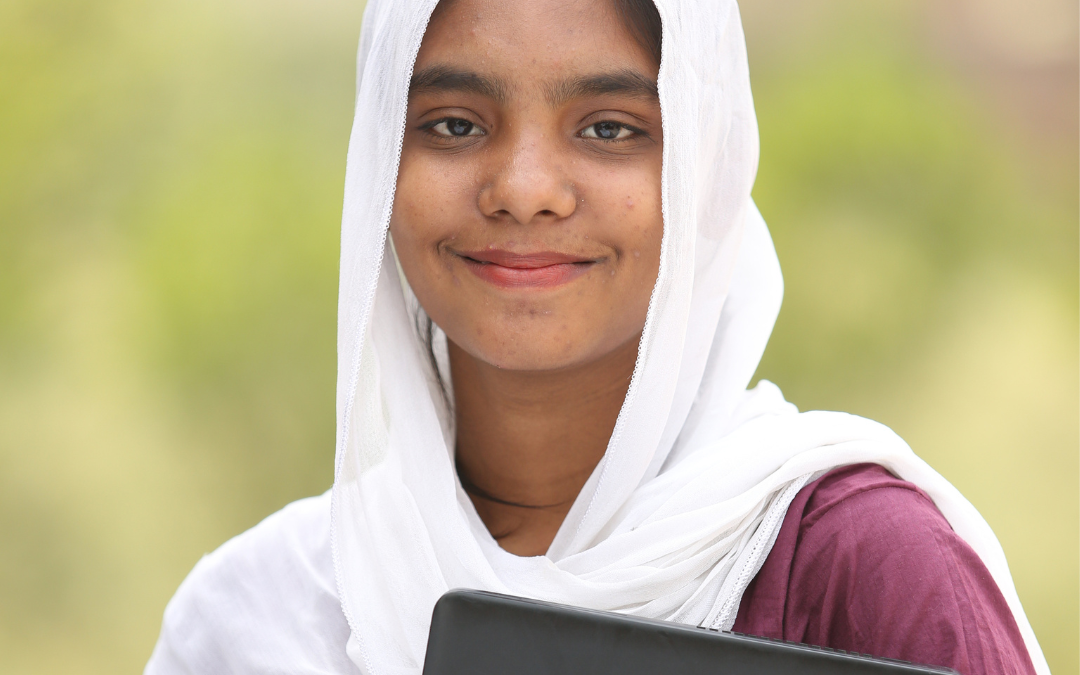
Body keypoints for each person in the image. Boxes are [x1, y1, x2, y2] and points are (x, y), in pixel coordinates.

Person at [145, 0, 1048, 673]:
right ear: (379, 162)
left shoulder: (864, 573)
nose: (525, 186)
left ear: (706, 171)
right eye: (453, 125)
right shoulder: (257, 618)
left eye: (610, 128)